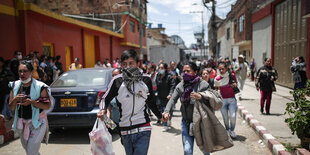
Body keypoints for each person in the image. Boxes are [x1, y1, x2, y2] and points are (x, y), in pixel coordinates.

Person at [97, 49, 163, 155]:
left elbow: (151, 102)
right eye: (124, 64)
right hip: (124, 129)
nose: (128, 67)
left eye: (131, 63)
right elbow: (105, 99)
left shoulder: (146, 80)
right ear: (121, 65)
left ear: (137, 64)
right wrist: (103, 111)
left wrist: (160, 116)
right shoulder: (117, 81)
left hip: (143, 127)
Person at [163, 61, 210, 155]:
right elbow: (172, 99)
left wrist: (201, 97)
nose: (185, 74)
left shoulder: (203, 85)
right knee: (187, 151)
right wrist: (167, 111)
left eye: (188, 71)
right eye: (183, 71)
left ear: (195, 72)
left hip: (201, 123)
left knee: (205, 151)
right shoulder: (181, 85)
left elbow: (212, 101)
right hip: (186, 122)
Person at [8, 60, 54, 155]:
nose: (22, 74)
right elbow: (11, 108)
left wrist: (32, 102)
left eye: (25, 71)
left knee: (31, 151)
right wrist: (15, 99)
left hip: (38, 123)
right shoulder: (15, 86)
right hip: (22, 124)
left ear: (32, 72)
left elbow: (47, 105)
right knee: (30, 151)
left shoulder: (40, 87)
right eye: (20, 71)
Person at [214, 62, 238, 139]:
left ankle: (232, 130)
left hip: (232, 100)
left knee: (233, 116)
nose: (221, 70)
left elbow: (236, 83)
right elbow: (216, 89)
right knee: (225, 118)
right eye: (219, 69)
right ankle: (227, 130)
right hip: (223, 101)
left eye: (222, 69)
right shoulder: (217, 79)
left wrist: (235, 85)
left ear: (226, 68)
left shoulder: (232, 76)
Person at [156, 63, 176, 131]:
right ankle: (165, 125)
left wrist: (170, 94)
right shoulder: (158, 76)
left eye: (162, 68)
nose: (160, 69)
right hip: (160, 97)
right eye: (159, 68)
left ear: (165, 69)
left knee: (170, 110)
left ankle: (168, 119)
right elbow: (157, 85)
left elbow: (172, 86)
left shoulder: (169, 77)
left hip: (168, 97)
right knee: (162, 110)